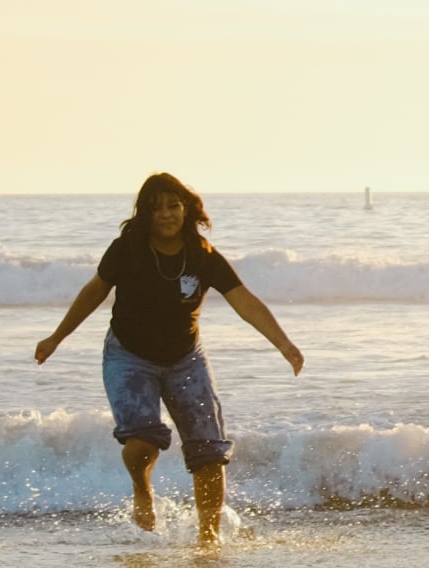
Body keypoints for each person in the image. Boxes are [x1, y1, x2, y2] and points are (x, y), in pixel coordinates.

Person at [34, 173, 304, 544]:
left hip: (186, 358)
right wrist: (56, 338)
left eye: (173, 206)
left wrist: (283, 344)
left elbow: (243, 300)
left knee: (209, 451)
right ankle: (143, 490)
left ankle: (208, 540)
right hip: (129, 356)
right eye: (156, 207)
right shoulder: (127, 249)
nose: (166, 214)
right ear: (145, 213)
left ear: (186, 209)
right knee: (143, 440)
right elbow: (93, 292)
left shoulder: (202, 254)